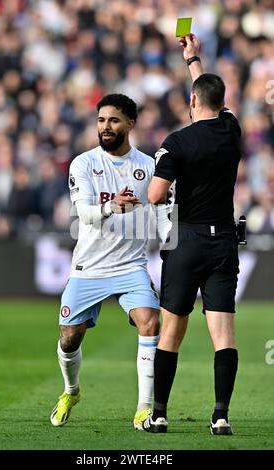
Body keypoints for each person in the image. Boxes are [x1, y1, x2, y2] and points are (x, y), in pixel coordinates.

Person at [50, 93, 171, 429]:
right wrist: (111, 206)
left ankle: (144, 409)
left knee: (151, 322)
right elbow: (84, 214)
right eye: (101, 120)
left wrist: (172, 245)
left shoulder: (148, 168)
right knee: (68, 338)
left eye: (113, 120)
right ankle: (71, 390)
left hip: (131, 266)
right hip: (89, 267)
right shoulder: (83, 163)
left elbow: (162, 217)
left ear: (131, 124)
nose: (105, 127)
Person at [142, 35, 241, 435]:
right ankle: (220, 416)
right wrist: (193, 59)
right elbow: (212, 95)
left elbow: (154, 195)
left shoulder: (177, 142)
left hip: (185, 240)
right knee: (224, 334)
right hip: (224, 242)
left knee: (172, 330)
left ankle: (160, 413)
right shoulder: (231, 130)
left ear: (193, 102)